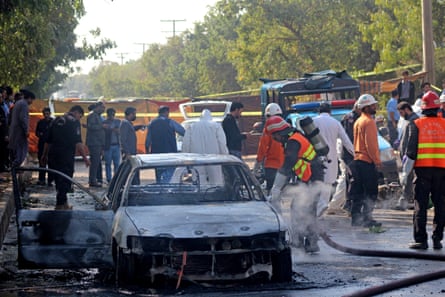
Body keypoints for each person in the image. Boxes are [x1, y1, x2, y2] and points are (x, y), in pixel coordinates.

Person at [265, 115, 325, 253]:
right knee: (303, 209)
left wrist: (276, 188)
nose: (274, 139)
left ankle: (305, 242)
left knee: (302, 209)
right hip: (311, 178)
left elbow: (287, 165)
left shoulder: (293, 142)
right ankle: (306, 241)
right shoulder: (295, 137)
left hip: (312, 179)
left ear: (278, 133)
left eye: (274, 136)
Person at [403, 91, 445, 250]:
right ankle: (437, 239)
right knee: (441, 204)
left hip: (422, 171)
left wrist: (405, 174)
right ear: (437, 107)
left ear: (423, 108)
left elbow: (411, 152)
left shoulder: (416, 124)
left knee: (420, 204)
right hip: (442, 171)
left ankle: (420, 240)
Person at [42, 105, 90, 210]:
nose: (79, 118)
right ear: (77, 112)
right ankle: (59, 205)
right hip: (66, 155)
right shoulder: (74, 122)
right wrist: (85, 158)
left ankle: (64, 203)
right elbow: (78, 142)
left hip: (53, 154)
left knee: (58, 179)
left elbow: (48, 141)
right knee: (65, 179)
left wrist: (44, 155)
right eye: (80, 116)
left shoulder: (55, 120)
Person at [313, 103, 354, 214]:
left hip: (315, 157)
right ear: (330, 112)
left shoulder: (314, 121)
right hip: (331, 157)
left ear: (319, 111)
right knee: (328, 183)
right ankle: (323, 204)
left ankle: (317, 208)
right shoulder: (335, 123)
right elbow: (346, 141)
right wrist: (355, 153)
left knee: (317, 183)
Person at [349, 94, 382, 228]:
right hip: (367, 161)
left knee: (358, 192)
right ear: (366, 107)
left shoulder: (358, 121)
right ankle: (367, 218)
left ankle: (356, 218)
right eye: (373, 105)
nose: (375, 107)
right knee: (371, 192)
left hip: (357, 160)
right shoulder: (369, 122)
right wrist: (377, 161)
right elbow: (371, 145)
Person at [182, 109, 228, 184]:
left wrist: (186, 156)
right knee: (216, 180)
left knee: (199, 180)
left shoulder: (192, 126)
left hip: (197, 158)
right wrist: (225, 155)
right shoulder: (216, 126)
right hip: (214, 158)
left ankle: (201, 194)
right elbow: (222, 142)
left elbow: (186, 144)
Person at [146, 105, 184, 183]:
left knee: (159, 174)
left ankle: (160, 188)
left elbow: (148, 140)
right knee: (169, 175)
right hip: (170, 153)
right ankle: (167, 190)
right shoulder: (170, 122)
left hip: (156, 153)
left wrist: (148, 152)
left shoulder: (151, 123)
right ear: (166, 112)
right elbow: (183, 132)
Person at [253, 103, 284, 194]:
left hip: (271, 165)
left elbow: (263, 147)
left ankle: (274, 207)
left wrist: (257, 163)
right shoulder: (286, 126)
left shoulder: (268, 128)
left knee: (271, 191)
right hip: (284, 165)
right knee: (281, 190)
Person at [394, 101, 418, 210]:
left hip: (411, 156)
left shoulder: (414, 121)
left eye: (401, 113)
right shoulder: (409, 121)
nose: (401, 115)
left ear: (407, 110)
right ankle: (407, 200)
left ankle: (405, 201)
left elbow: (411, 141)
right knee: (408, 179)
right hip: (408, 156)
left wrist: (407, 155)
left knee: (408, 179)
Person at [8, 89, 35, 168]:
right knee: (22, 151)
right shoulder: (24, 105)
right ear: (29, 98)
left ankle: (14, 169)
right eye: (32, 100)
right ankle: (15, 167)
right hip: (20, 133)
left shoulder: (18, 103)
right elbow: (23, 119)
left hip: (14, 132)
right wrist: (26, 131)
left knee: (16, 151)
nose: (32, 102)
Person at [120, 107, 143, 184]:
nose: (135, 116)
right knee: (129, 171)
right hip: (129, 153)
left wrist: (139, 127)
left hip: (131, 152)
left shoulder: (128, 123)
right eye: (134, 114)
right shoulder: (125, 123)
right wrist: (127, 152)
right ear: (130, 114)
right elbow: (123, 139)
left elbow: (131, 129)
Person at [86, 101, 106, 187]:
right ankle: (92, 180)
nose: (103, 109)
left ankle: (96, 179)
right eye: (102, 107)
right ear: (97, 107)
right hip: (94, 142)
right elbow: (91, 126)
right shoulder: (92, 115)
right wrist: (102, 126)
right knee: (94, 162)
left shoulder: (97, 116)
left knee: (97, 162)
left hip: (98, 142)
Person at [35, 107, 54, 186]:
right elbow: (37, 132)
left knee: (51, 163)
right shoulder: (40, 122)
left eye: (47, 114)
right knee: (42, 162)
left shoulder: (53, 122)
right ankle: (41, 179)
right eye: (45, 114)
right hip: (42, 144)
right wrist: (40, 134)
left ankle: (50, 180)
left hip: (51, 145)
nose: (46, 115)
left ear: (50, 113)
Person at [103, 108, 121, 183]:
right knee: (108, 163)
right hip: (108, 146)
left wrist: (112, 129)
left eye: (113, 114)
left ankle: (116, 179)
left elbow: (120, 131)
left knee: (117, 163)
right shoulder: (104, 122)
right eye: (110, 115)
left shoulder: (118, 122)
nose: (111, 116)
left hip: (117, 145)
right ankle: (109, 179)